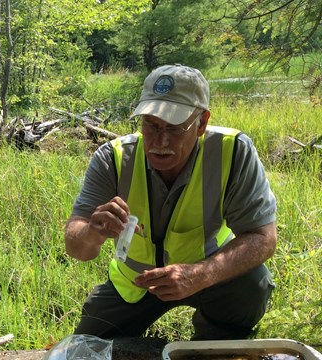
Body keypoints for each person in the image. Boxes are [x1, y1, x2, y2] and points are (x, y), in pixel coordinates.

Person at [64, 64, 277, 340]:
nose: (160, 141)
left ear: (201, 123)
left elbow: (264, 238)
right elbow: (77, 248)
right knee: (87, 346)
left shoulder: (232, 152)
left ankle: (214, 343)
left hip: (210, 276)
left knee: (251, 284)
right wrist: (93, 231)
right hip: (134, 284)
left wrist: (200, 275)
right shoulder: (113, 159)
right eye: (151, 125)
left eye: (175, 128)